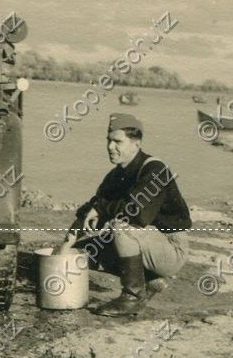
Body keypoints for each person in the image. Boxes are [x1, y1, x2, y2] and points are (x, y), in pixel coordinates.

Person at [59, 113, 192, 316]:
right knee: (81, 253)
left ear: (136, 143)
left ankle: (133, 297)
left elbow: (137, 213)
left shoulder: (155, 170)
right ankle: (150, 280)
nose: (110, 147)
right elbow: (91, 209)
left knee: (122, 228)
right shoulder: (116, 174)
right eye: (108, 141)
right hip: (146, 243)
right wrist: (66, 245)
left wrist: (102, 210)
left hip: (171, 247)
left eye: (117, 141)